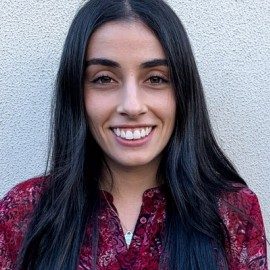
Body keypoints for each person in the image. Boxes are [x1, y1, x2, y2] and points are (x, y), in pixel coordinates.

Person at [0, 0, 267, 269]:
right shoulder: (24, 212)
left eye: (155, 78)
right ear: (76, 93)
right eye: (104, 78)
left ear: (183, 92)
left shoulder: (233, 212)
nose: (132, 106)